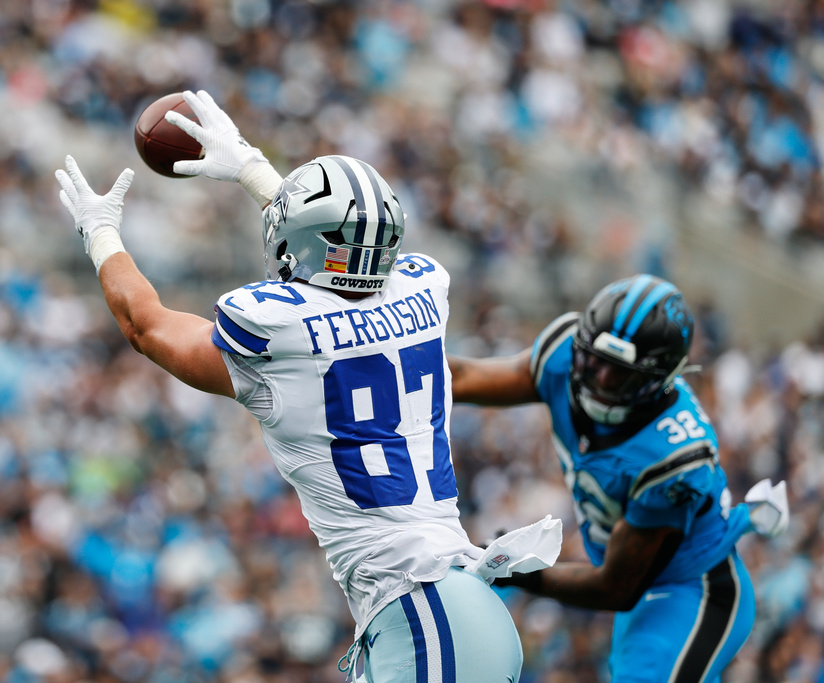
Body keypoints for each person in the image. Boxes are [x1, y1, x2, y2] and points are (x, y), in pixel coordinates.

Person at [55, 91, 561, 682]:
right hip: (446, 607)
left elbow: (147, 326)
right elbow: (347, 265)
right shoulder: (423, 287)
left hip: (425, 612)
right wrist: (251, 169)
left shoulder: (277, 329)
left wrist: (101, 235)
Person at [447, 275, 790, 683]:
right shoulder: (564, 353)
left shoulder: (672, 457)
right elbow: (461, 377)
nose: (601, 382)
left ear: (658, 379)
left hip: (691, 590)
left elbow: (616, 586)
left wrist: (518, 571)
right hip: (644, 592)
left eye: (621, 374)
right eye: (595, 362)